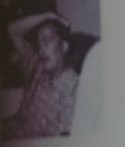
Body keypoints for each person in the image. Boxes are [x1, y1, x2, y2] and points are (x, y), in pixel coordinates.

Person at [2, 11, 81, 139]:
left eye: (46, 40)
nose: (41, 49)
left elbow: (64, 141)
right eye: (39, 43)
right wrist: (49, 15)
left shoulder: (74, 88)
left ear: (64, 46)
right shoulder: (38, 66)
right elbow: (12, 30)